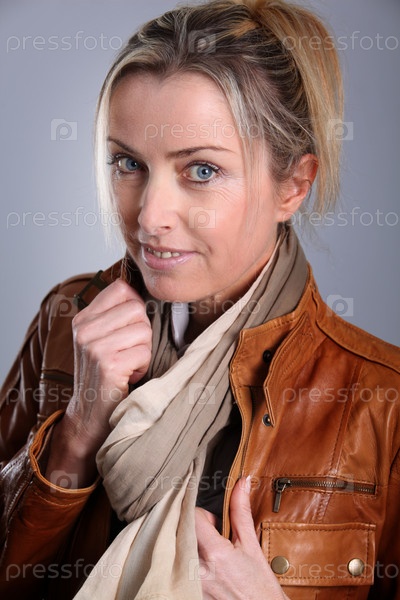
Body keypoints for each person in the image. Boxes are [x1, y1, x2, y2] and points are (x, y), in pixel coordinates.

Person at [0, 0, 399, 598]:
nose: (149, 216)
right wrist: (78, 432)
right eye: (128, 163)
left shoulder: (382, 401)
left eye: (202, 171)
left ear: (292, 186)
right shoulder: (68, 321)